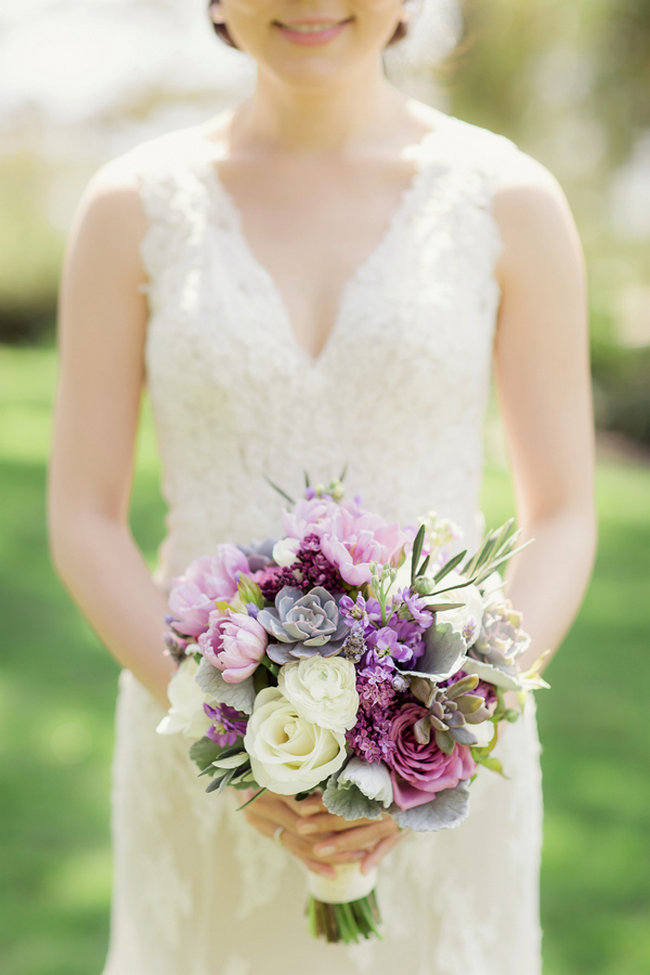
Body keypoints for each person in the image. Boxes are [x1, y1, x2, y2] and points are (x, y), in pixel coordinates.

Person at [47, 2, 597, 973]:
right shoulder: (131, 203)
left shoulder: (507, 197)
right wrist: (219, 737)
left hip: (441, 756)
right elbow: (83, 515)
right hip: (192, 748)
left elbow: (560, 513)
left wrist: (449, 723)